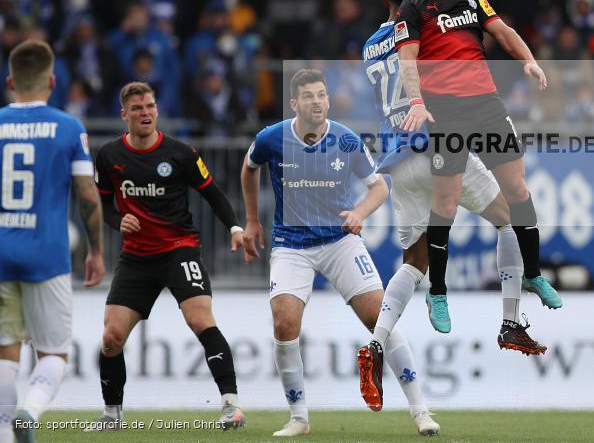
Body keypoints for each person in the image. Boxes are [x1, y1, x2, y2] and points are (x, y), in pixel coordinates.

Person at [356, 0, 558, 410]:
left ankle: (376, 344)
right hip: (436, 140)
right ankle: (511, 321)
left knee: (415, 261)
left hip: (398, 158)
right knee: (509, 219)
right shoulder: (425, 23)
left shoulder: (369, 44)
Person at [239, 69, 439, 437]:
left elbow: (379, 187)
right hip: (291, 245)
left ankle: (421, 411)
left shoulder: (346, 140)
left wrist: (359, 213)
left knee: (381, 319)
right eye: (308, 96)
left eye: (321, 95)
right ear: (294, 103)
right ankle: (299, 418)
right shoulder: (272, 138)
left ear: (328, 100)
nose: (317, 101)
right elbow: (249, 168)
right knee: (284, 323)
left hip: (339, 241)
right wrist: (252, 221)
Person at [394, 0, 561, 332]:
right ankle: (437, 292)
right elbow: (407, 59)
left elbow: (503, 31)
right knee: (447, 203)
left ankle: (533, 274)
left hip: (487, 105)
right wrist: (416, 101)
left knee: (517, 189)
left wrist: (528, 60)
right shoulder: (413, 7)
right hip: (446, 112)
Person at [87, 82, 246, 431]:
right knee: (111, 337)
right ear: (124, 114)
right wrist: (117, 220)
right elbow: (103, 205)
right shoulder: (109, 156)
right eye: (138, 108)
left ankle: (231, 405)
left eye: (150, 106)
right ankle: (112, 416)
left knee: (200, 320)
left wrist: (235, 227)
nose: (145, 113)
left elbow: (213, 194)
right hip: (136, 257)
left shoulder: (181, 153)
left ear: (157, 110)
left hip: (179, 249)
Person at [0, 39, 105, 443]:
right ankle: (29, 411)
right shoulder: (68, 127)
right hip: (47, 255)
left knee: (5, 354)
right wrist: (95, 251)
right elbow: (87, 196)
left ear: (10, 81)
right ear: (53, 81)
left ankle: (5, 432)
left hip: (1, 255)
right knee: (54, 354)